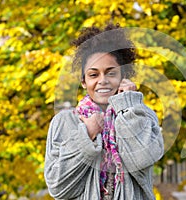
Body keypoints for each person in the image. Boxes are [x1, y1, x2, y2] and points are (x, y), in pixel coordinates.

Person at [44, 23, 164, 200]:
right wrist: (86, 135)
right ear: (83, 81)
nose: (103, 81)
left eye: (111, 73)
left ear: (123, 76)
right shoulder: (64, 122)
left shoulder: (142, 114)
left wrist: (129, 107)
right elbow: (58, 188)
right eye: (93, 75)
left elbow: (141, 159)